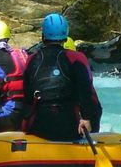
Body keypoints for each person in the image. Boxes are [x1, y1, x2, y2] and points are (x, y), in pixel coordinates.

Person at [22, 13, 102, 142]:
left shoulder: (31, 59)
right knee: (94, 105)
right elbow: (85, 90)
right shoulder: (76, 57)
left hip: (39, 125)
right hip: (69, 124)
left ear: (43, 35)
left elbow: (27, 95)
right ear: (65, 35)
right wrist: (86, 118)